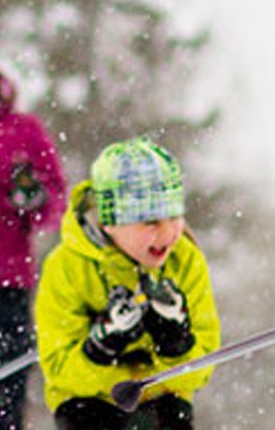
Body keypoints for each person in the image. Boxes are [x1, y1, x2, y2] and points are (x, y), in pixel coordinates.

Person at [35, 136, 221, 430]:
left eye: (174, 216)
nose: (169, 233)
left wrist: (176, 344)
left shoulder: (185, 261)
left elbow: (202, 367)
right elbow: (58, 369)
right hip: (90, 399)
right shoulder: (67, 267)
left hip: (162, 396)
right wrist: (100, 348)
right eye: (151, 222)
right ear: (110, 222)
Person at [0, 70, 66, 429]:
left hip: (8, 282)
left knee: (9, 385)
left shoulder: (24, 130)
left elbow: (56, 200)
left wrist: (34, 198)